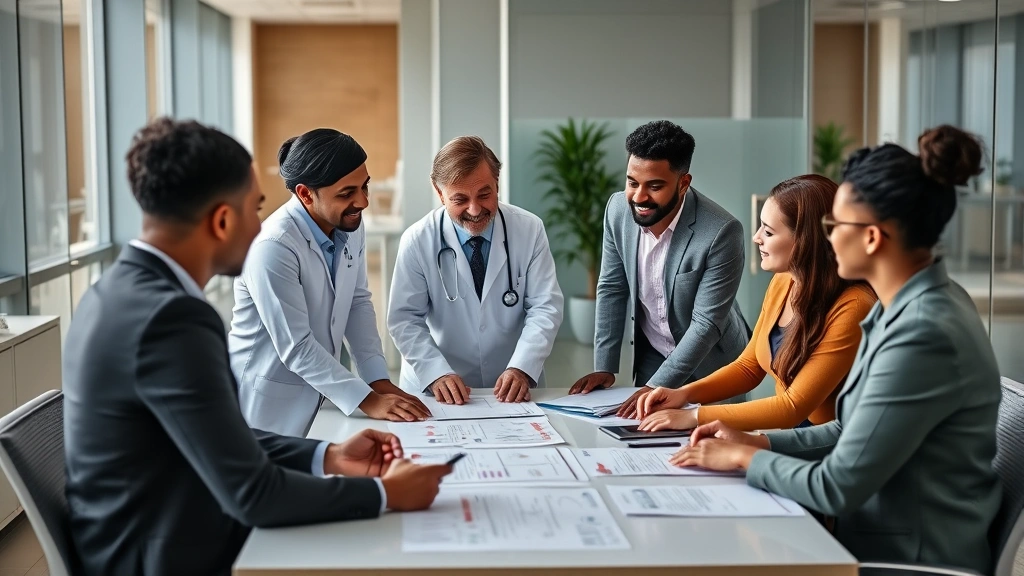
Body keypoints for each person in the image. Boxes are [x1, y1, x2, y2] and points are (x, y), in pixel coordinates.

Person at [63, 118, 451, 576]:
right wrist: (386, 495)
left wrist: (327, 456)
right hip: (160, 551)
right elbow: (253, 493)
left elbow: (221, 440)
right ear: (223, 220)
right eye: (255, 208)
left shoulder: (118, 292)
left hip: (154, 521)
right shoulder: (175, 320)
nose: (261, 225)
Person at [670, 126, 1001, 573]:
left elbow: (838, 486)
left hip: (906, 557)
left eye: (834, 226)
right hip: (870, 531)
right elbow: (849, 431)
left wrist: (746, 457)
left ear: (871, 237)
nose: (826, 238)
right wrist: (758, 441)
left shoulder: (923, 332)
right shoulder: (906, 305)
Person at [635, 175, 876, 432]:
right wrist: (683, 394)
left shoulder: (854, 307)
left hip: (835, 445)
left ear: (807, 240)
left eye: (769, 232)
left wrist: (694, 416)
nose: (756, 237)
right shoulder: (784, 281)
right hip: (799, 435)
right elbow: (749, 367)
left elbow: (791, 407)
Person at [229, 129, 429, 436]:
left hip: (319, 394)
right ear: (306, 194)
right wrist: (367, 399)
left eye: (365, 186)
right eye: (346, 193)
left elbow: (357, 302)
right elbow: (296, 347)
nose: (362, 202)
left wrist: (377, 379)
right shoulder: (273, 246)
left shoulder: (348, 225)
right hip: (265, 407)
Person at [570, 120, 750, 418]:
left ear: (683, 183)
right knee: (647, 444)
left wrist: (655, 386)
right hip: (654, 355)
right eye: (632, 183)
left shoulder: (721, 231)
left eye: (654, 186)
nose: (639, 197)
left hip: (714, 366)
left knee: (712, 450)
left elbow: (706, 324)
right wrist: (605, 366)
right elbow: (612, 288)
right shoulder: (618, 211)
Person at [388, 136, 563, 404]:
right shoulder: (418, 239)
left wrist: (522, 366)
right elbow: (404, 319)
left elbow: (545, 307)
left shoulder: (529, 229)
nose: (474, 209)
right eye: (460, 199)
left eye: (485, 194)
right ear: (439, 192)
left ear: (497, 184)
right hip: (439, 388)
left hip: (512, 385)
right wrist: (436, 373)